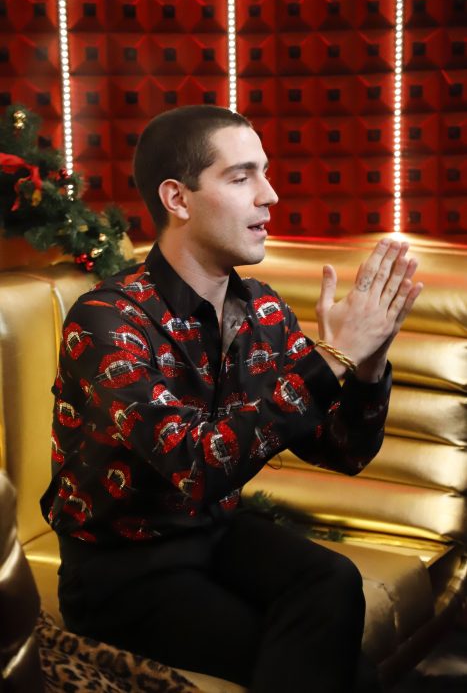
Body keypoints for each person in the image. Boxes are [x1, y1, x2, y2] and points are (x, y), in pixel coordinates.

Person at [41, 105, 423, 692]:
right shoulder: (106, 319)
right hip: (122, 570)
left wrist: (368, 364)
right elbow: (193, 466)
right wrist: (332, 358)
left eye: (264, 173)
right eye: (242, 177)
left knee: (334, 580)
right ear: (178, 198)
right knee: (345, 672)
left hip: (217, 533)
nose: (270, 195)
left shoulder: (262, 308)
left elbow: (343, 450)